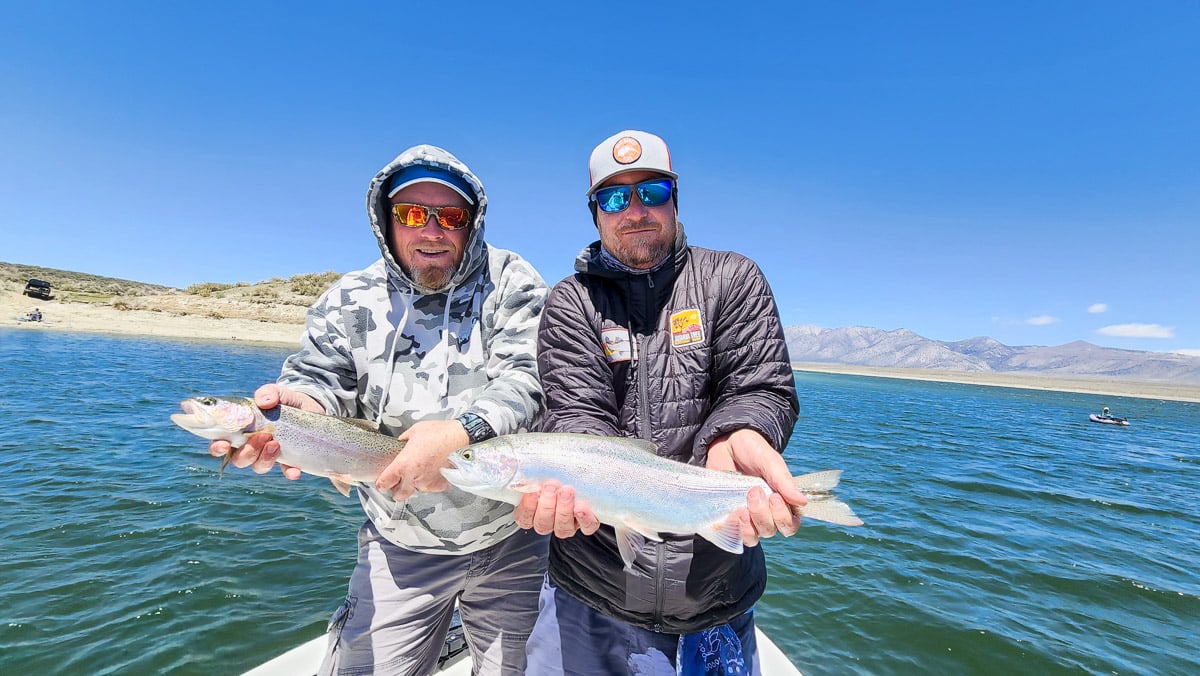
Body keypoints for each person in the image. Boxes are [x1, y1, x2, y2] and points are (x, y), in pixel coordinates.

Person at [209, 144, 550, 675]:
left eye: (450, 217)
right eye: (413, 214)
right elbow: (318, 382)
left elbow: (529, 378)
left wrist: (462, 433)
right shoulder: (348, 299)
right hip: (399, 542)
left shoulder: (511, 280)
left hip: (514, 539)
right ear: (386, 221)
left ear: (471, 224)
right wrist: (304, 407)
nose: (431, 231)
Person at [518, 130, 803, 674]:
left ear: (674, 198)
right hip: (594, 592)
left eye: (651, 191)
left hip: (714, 595)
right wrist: (581, 488)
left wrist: (737, 436)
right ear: (595, 212)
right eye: (614, 197)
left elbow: (760, 387)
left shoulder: (733, 279)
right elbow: (579, 419)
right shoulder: (570, 303)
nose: (635, 211)